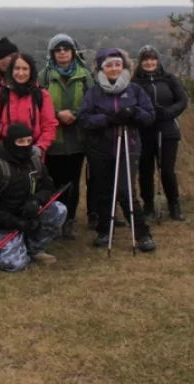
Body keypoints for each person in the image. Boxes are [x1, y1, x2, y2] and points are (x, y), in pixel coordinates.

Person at [78, 49, 157, 252]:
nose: (114, 68)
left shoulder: (135, 90)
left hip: (128, 147)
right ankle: (105, 231)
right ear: (101, 69)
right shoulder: (94, 92)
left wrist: (133, 112)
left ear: (124, 67)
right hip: (100, 148)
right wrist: (108, 119)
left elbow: (149, 116)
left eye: (117, 64)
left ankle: (142, 234)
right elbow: (84, 119)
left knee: (125, 191)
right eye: (109, 65)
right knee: (103, 192)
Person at [0, 124, 67, 271]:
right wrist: (13, 221)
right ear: (11, 142)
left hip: (28, 215)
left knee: (59, 209)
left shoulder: (35, 161)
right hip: (0, 224)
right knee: (15, 264)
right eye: (20, 142)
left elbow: (48, 187)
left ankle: (34, 248)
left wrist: (36, 200)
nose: (25, 145)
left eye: (28, 141)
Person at [38, 34, 94, 240]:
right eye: (57, 49)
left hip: (77, 141)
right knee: (51, 183)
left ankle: (69, 220)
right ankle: (52, 221)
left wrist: (76, 115)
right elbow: (36, 105)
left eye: (66, 48)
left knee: (72, 183)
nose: (62, 52)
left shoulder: (85, 76)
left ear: (73, 52)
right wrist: (57, 115)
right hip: (51, 141)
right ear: (52, 54)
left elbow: (92, 103)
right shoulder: (43, 76)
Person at [134, 45, 189, 222]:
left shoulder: (169, 79)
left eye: (153, 58)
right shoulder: (135, 82)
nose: (149, 62)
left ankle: (174, 204)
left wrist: (167, 113)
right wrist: (144, 115)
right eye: (145, 59)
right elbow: (131, 104)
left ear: (158, 60)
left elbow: (182, 100)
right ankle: (148, 206)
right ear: (140, 62)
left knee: (167, 170)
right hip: (144, 132)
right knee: (145, 170)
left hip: (167, 131)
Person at [0, 53, 58, 158]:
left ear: (31, 72)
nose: (21, 73)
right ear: (11, 70)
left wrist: (40, 147)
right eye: (17, 68)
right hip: (3, 154)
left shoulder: (41, 95)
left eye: (25, 69)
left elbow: (49, 125)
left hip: (32, 153)